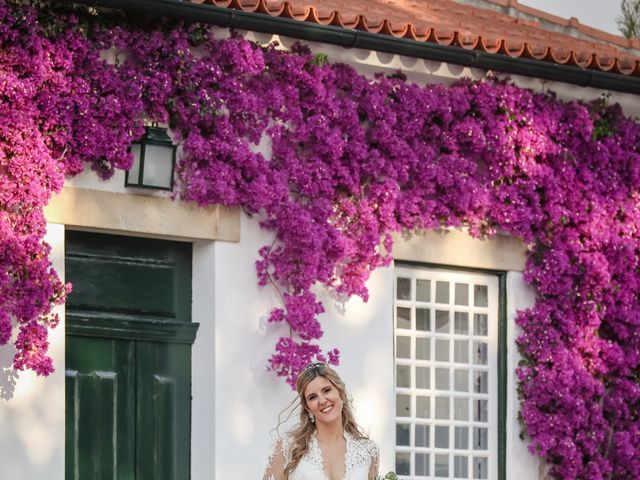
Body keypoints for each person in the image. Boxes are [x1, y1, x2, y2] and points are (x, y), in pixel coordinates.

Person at [263, 362, 379, 480]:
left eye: (327, 390)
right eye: (312, 397)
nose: (322, 401)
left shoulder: (368, 451)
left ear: (342, 394)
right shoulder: (289, 446)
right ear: (307, 407)